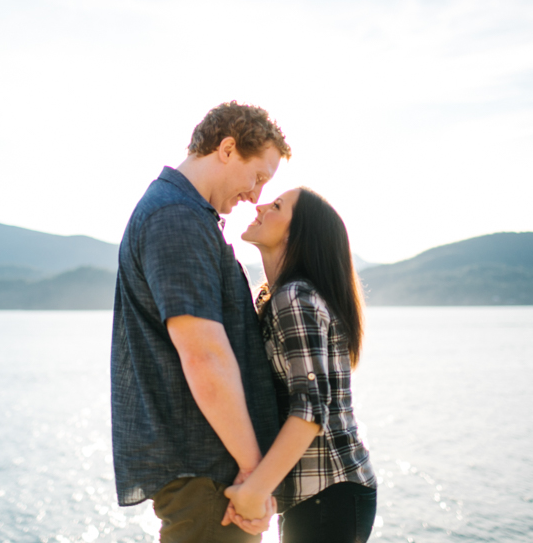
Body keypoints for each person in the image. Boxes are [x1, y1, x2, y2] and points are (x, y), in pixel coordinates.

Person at [110, 101, 291, 542]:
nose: (254, 194)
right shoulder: (175, 218)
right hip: (211, 476)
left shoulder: (188, 216)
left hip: (209, 474)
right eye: (259, 177)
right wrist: (254, 475)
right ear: (227, 149)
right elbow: (204, 354)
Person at [223, 187, 378, 543]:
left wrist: (254, 492)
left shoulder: (294, 297)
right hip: (326, 492)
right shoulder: (279, 295)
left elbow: (310, 411)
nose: (260, 205)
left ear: (296, 235)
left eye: (276, 206)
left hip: (331, 493)